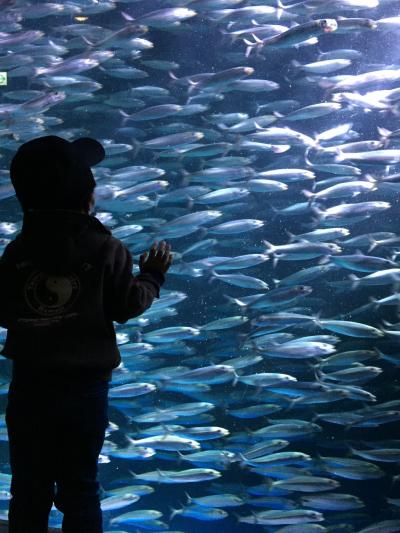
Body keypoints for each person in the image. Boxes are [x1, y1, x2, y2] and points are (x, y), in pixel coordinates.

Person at [0, 135, 173, 533]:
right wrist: (152, 274)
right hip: (85, 388)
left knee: (28, 487)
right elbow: (127, 306)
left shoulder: (16, 252)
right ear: (87, 195)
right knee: (80, 488)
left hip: (30, 386)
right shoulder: (106, 248)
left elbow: (5, 309)